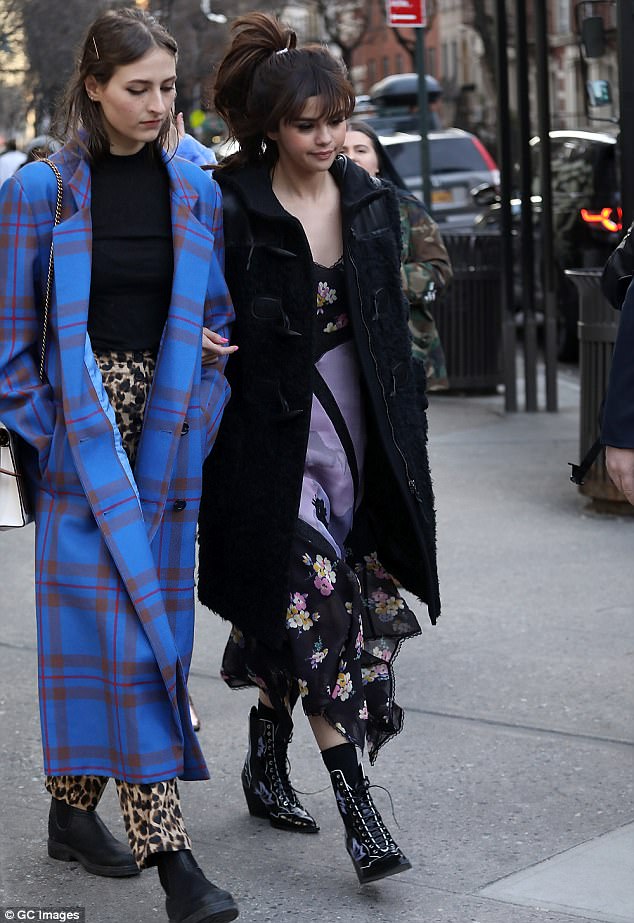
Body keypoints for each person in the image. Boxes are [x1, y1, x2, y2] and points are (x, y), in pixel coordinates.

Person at [0, 9, 238, 923]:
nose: (158, 105)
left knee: (128, 636)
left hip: (168, 440)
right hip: (82, 443)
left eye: (169, 88)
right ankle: (175, 860)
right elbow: (9, 351)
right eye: (138, 88)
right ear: (93, 88)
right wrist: (58, 440)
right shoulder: (39, 192)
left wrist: (207, 388)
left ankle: (70, 810)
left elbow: (219, 316)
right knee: (138, 647)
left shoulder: (194, 187)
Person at [197, 12, 440, 885]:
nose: (328, 136)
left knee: (303, 609)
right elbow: (188, 305)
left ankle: (266, 758)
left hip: (356, 443)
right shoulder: (230, 204)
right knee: (320, 604)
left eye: (338, 118)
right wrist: (200, 339)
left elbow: (414, 292)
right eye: (308, 123)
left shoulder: (370, 199)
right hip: (267, 449)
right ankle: (361, 812)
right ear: (270, 125)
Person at [343, 119, 452, 391]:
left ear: (378, 161)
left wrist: (384, 280)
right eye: (342, 151)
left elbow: (439, 271)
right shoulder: (316, 209)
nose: (352, 157)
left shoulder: (406, 209)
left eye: (361, 150)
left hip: (404, 347)